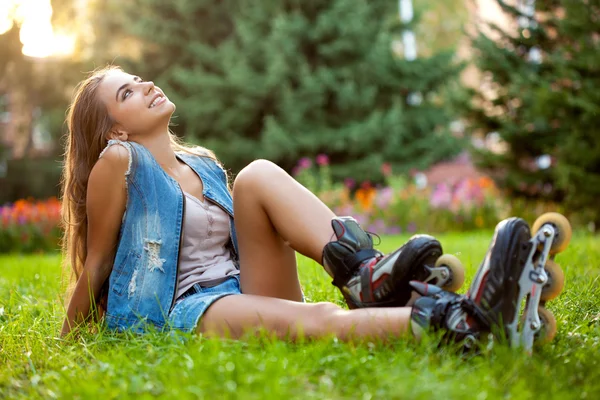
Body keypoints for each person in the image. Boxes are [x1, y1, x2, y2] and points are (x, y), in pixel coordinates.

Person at [59, 66, 531, 348]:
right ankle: (465, 322)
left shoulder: (201, 165)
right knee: (322, 318)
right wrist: (67, 347)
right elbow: (98, 262)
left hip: (242, 287)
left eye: (137, 80)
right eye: (126, 94)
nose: (144, 87)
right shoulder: (119, 160)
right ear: (115, 131)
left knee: (258, 174)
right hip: (185, 309)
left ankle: (365, 273)